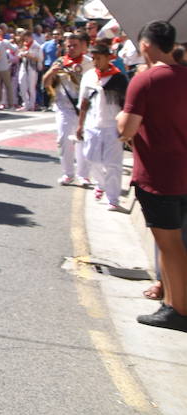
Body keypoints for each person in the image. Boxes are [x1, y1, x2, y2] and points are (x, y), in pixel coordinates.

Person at [117, 21, 187, 331]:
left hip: (160, 175)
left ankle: (178, 309)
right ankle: (171, 303)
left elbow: (125, 130)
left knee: (169, 244)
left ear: (145, 45)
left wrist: (121, 116)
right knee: (177, 243)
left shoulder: (146, 80)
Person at [77, 42, 128, 211]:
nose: (96, 62)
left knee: (113, 163)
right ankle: (101, 183)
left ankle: (113, 198)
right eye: (93, 58)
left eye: (99, 58)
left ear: (108, 57)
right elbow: (83, 102)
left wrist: (125, 128)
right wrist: (80, 125)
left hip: (112, 126)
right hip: (92, 124)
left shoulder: (119, 78)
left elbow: (125, 105)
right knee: (91, 158)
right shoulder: (89, 76)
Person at [44, 31, 90, 185]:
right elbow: (45, 83)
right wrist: (52, 72)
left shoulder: (89, 62)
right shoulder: (59, 62)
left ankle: (83, 175)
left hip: (84, 108)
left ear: (82, 46)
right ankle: (68, 173)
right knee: (64, 139)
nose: (71, 48)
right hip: (64, 107)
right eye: (68, 46)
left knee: (82, 141)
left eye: (75, 45)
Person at [0, 29, 18, 109]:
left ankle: (10, 104)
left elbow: (14, 49)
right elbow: (14, 49)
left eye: (0, 32)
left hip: (3, 67)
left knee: (7, 86)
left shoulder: (4, 41)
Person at [17, 34, 43, 111]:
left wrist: (30, 55)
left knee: (31, 87)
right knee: (22, 84)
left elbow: (40, 58)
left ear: (31, 37)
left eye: (27, 38)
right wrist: (21, 54)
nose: (26, 40)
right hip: (24, 66)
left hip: (32, 68)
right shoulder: (23, 45)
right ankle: (25, 104)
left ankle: (32, 104)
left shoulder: (37, 46)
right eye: (25, 38)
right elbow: (19, 54)